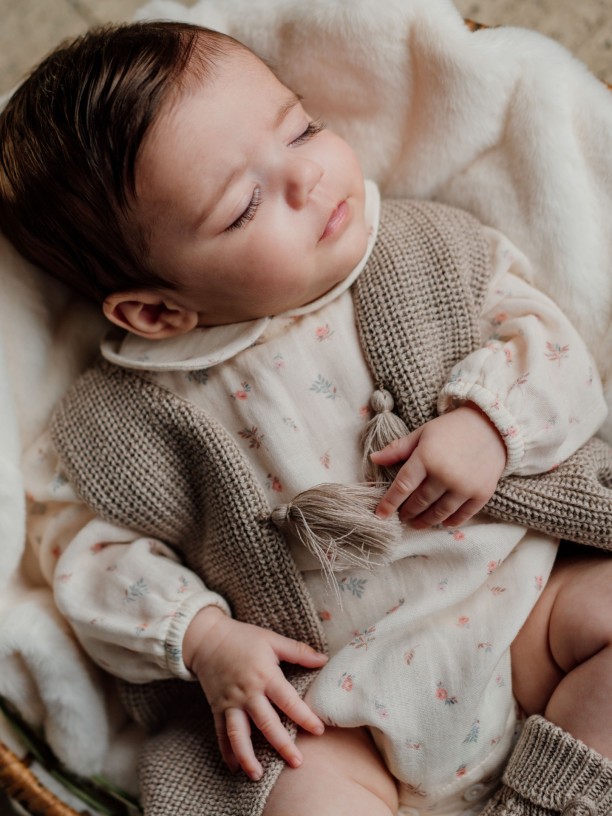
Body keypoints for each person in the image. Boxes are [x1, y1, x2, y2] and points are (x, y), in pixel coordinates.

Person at [1, 20, 611, 816]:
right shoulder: (124, 420)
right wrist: (205, 637)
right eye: (244, 205)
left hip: (523, 606)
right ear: (155, 310)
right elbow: (83, 554)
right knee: (293, 792)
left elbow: (552, 347)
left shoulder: (423, 251)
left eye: (302, 129)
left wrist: (491, 424)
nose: (307, 179)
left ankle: (553, 804)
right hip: (335, 701)